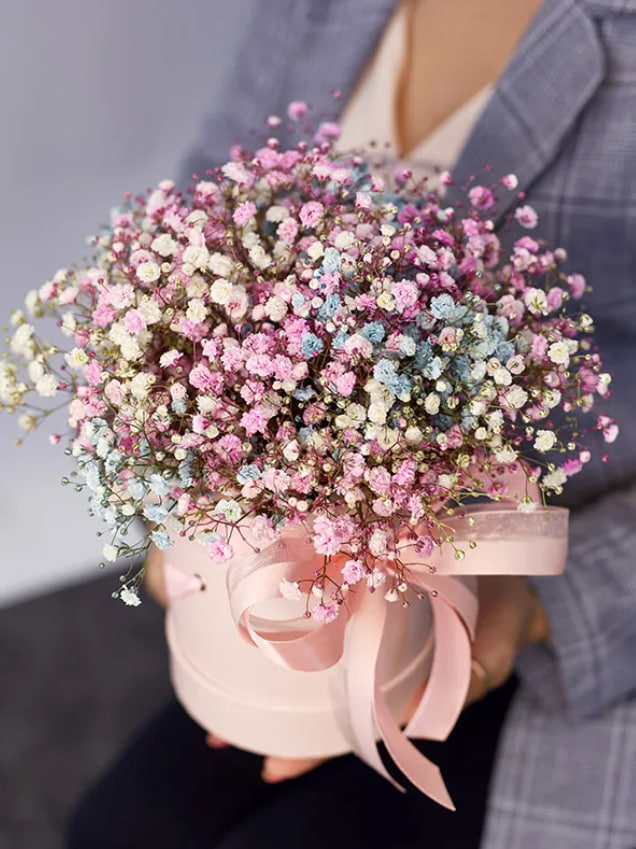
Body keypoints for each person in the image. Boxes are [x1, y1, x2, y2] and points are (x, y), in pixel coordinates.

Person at [66, 0, 636, 846]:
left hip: (552, 591)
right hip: (295, 582)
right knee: (119, 827)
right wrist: (180, 482)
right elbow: (200, 205)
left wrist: (540, 602)